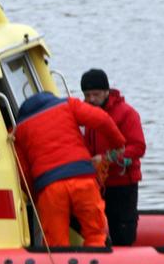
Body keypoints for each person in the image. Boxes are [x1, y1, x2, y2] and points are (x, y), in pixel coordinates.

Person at [13, 91, 126, 248]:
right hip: (83, 179)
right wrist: (119, 143)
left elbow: (22, 170)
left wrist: (36, 196)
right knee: (95, 233)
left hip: (49, 187)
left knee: (56, 243)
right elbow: (102, 119)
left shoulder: (18, 130)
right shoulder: (68, 105)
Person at [80, 68, 146, 246]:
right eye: (87, 95)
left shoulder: (126, 114)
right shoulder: (83, 114)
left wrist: (107, 158)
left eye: (96, 94)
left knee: (123, 233)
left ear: (107, 92)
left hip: (122, 184)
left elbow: (138, 147)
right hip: (94, 184)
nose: (92, 99)